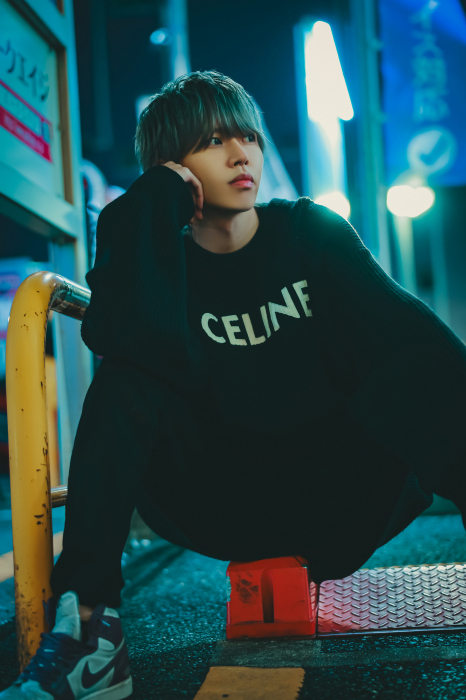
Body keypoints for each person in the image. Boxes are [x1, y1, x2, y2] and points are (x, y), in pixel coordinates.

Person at [3, 69, 466, 699]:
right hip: (222, 496)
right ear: (174, 168)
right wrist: (153, 201)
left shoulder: (307, 232)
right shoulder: (162, 262)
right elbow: (118, 335)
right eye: (214, 141)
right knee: (126, 378)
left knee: (404, 342)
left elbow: (415, 352)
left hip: (340, 487)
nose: (240, 154)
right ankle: (90, 633)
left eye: (247, 136)